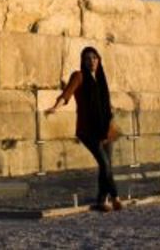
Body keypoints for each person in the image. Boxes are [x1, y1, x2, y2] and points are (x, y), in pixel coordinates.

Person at [45, 45, 122, 211]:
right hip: (88, 130)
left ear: (99, 59)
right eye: (87, 59)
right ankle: (115, 196)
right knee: (104, 163)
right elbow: (67, 93)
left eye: (94, 58)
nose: (91, 61)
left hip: (106, 128)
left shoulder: (101, 78)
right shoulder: (79, 76)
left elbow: (105, 102)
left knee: (107, 165)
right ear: (83, 61)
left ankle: (102, 200)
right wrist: (55, 107)